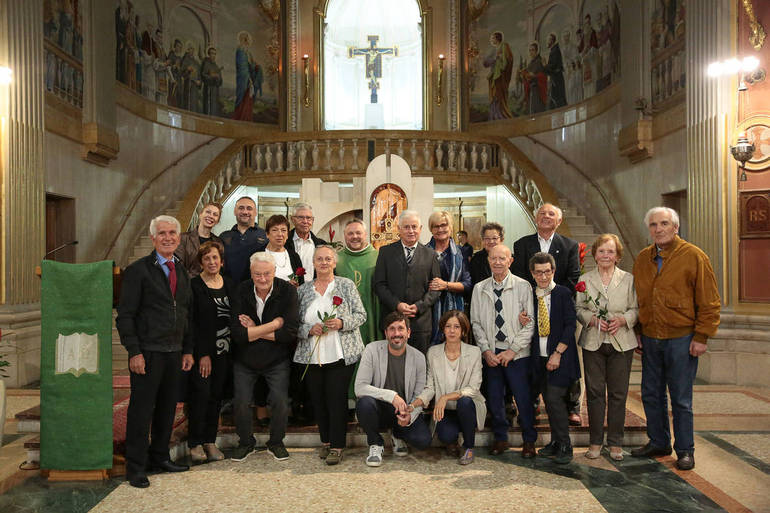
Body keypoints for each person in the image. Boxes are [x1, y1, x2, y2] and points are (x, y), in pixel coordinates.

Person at [630, 207, 720, 471]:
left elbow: (710, 301)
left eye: (664, 223)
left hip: (682, 338)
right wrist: (638, 331)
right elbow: (637, 299)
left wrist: (702, 336)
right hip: (650, 337)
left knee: (681, 398)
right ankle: (658, 441)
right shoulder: (643, 258)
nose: (659, 229)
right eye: (654, 225)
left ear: (676, 227)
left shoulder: (694, 256)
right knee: (650, 393)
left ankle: (685, 450)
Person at [116, 215, 194, 488]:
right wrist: (134, 351)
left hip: (174, 352)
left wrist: (188, 350)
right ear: (152, 238)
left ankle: (160, 457)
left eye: (173, 233)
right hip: (147, 352)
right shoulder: (138, 271)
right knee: (141, 412)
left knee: (167, 409)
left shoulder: (182, 270)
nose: (168, 237)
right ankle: (136, 467)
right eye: (162, 233)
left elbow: (186, 314)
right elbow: (125, 315)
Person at [294, 246, 366, 465]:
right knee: (318, 400)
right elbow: (293, 324)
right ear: (313, 264)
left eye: (328, 259)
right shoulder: (303, 290)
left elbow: (361, 315)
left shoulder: (346, 285)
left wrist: (342, 323)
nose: (324, 263)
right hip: (312, 355)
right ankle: (325, 442)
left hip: (340, 353)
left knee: (336, 400)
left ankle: (337, 445)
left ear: (335, 262)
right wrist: (308, 329)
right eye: (319, 259)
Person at [513, 203, 581, 424]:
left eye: (551, 214)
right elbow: (520, 279)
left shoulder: (569, 245)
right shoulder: (522, 244)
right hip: (532, 308)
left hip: (560, 309)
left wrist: (554, 297)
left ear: (559, 221)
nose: (546, 217)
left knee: (565, 356)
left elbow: (573, 277)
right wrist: (532, 302)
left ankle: (572, 406)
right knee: (534, 357)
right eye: (542, 213)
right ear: (535, 218)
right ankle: (533, 403)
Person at [229, 252, 299, 462]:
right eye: (257, 274)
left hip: (276, 358)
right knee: (241, 402)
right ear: (251, 273)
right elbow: (239, 335)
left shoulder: (287, 291)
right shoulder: (240, 290)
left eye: (266, 274)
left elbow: (289, 333)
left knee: (280, 401)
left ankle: (276, 442)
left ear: (274, 271)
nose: (262, 279)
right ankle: (245, 443)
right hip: (245, 359)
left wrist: (255, 330)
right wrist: (273, 325)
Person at [576, 234, 638, 461]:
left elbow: (635, 309)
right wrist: (591, 320)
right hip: (593, 341)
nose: (605, 255)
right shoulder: (586, 279)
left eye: (610, 251)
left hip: (621, 341)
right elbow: (579, 307)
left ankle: (615, 442)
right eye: (601, 251)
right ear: (595, 254)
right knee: (594, 393)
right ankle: (595, 442)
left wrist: (623, 320)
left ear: (617, 256)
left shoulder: (629, 279)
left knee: (618, 393)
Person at [471, 244, 536, 458]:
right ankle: (500, 438)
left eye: (502, 258)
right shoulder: (480, 288)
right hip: (492, 353)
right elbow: (476, 323)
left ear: (510, 261)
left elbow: (530, 323)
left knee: (523, 398)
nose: (497, 262)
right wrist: (486, 350)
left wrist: (513, 350)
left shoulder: (523, 286)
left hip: (517, 355)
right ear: (488, 260)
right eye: (493, 258)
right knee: (495, 397)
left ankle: (529, 440)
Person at [523, 252, 579, 464]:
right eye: (539, 272)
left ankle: (566, 445)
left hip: (560, 357)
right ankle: (555, 443)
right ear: (532, 273)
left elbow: (570, 325)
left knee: (555, 400)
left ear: (553, 271)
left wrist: (557, 353)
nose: (543, 276)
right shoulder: (530, 296)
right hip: (539, 358)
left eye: (547, 271)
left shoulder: (563, 293)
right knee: (548, 400)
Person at [355, 312, 431, 467]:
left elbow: (419, 395)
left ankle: (397, 434)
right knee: (364, 403)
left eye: (401, 329)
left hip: (403, 410)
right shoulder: (372, 350)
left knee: (423, 441)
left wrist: (409, 415)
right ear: (386, 333)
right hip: (379, 408)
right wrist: (391, 396)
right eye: (392, 329)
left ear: (408, 333)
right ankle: (376, 443)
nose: (397, 333)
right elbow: (360, 387)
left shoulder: (418, 358)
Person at [413, 310, 485, 465]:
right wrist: (414, 404)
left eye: (457, 327)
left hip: (468, 408)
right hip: (445, 410)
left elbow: (473, 388)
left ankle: (469, 447)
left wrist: (446, 397)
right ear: (443, 329)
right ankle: (452, 442)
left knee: (464, 401)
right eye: (448, 326)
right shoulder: (433, 352)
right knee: (445, 436)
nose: (452, 331)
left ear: (464, 330)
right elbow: (430, 387)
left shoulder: (474, 352)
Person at [187, 241, 235, 463]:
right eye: (207, 258)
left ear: (221, 261)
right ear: (201, 262)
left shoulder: (230, 284)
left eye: (215, 257)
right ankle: (195, 442)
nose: (212, 262)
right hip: (203, 353)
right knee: (201, 396)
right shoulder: (194, 286)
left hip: (225, 352)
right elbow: (192, 323)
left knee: (216, 398)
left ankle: (210, 441)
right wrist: (202, 354)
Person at [374, 210, 441, 354]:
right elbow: (379, 285)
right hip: (392, 321)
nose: (411, 231)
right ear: (398, 229)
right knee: (391, 366)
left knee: (419, 367)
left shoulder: (431, 255)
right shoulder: (386, 252)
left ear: (421, 229)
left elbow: (435, 288)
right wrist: (397, 304)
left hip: (420, 323)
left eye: (414, 227)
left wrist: (419, 306)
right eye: (406, 227)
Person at [426, 211, 471, 346]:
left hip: (454, 310)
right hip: (429, 311)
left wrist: (445, 285)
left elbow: (467, 285)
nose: (440, 229)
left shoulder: (461, 253)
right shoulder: (423, 251)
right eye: (436, 226)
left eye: (444, 225)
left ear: (450, 227)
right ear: (431, 229)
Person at [336, 219, 381, 344]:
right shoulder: (336, 259)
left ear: (365, 234)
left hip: (372, 312)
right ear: (344, 236)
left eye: (358, 233)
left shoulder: (378, 257)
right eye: (350, 234)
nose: (354, 237)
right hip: (345, 317)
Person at [219, 196, 267, 283]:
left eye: (249, 208)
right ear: (235, 211)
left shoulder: (265, 235)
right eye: (241, 208)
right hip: (228, 288)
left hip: (256, 288)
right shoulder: (224, 237)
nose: (245, 212)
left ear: (255, 212)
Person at [176, 202, 223, 277]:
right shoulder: (183, 238)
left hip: (210, 285)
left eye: (215, 214)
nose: (211, 216)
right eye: (208, 212)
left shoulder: (218, 242)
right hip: (189, 285)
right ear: (200, 215)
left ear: (217, 221)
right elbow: (178, 267)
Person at [286, 202, 327, 280]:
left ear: (313, 220)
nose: (305, 221)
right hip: (291, 290)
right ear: (292, 219)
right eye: (301, 217)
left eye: (308, 218)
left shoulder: (321, 245)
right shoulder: (284, 243)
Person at [468, 222, 514, 287]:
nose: (491, 241)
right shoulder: (476, 259)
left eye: (494, 238)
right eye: (487, 238)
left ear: (502, 239)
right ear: (482, 240)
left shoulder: (510, 258)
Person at [263, 214, 304, 285]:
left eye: (283, 230)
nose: (280, 234)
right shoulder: (257, 255)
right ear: (267, 234)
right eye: (275, 230)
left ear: (287, 235)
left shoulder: (294, 256)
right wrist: (286, 285)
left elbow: (301, 283)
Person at [482, 31, 513, 120]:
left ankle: (501, 115)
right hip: (494, 76)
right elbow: (485, 63)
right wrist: (493, 59)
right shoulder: (494, 50)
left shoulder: (503, 46)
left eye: (492, 38)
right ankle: (494, 116)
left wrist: (498, 60)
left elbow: (507, 60)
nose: (491, 40)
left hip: (500, 76)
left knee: (498, 96)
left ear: (497, 38)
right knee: (494, 96)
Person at [520, 42, 547, 115]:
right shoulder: (531, 63)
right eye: (530, 50)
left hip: (537, 90)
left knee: (537, 110)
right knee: (532, 110)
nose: (531, 52)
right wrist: (524, 74)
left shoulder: (539, 61)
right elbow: (528, 75)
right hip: (532, 89)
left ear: (537, 51)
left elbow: (535, 75)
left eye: (532, 50)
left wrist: (527, 74)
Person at [544, 32, 567, 109]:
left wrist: (545, 65)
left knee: (558, 98)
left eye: (548, 40)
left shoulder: (555, 51)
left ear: (551, 41)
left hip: (557, 78)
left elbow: (553, 66)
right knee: (556, 98)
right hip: (556, 77)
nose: (547, 42)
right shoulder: (554, 50)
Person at [200, 46, 223, 116]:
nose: (213, 55)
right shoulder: (206, 64)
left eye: (214, 54)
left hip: (215, 91)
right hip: (208, 89)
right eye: (212, 53)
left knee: (214, 108)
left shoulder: (216, 66)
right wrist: (211, 76)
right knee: (208, 107)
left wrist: (218, 78)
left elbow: (220, 81)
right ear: (209, 54)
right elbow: (203, 75)